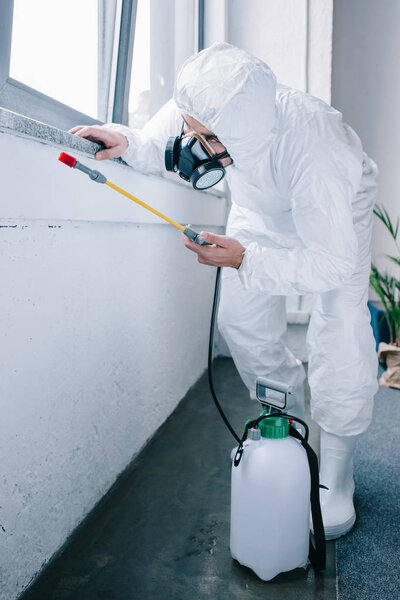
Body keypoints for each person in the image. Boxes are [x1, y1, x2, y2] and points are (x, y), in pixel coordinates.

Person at [69, 42, 379, 539]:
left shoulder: (316, 144)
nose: (192, 138)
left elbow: (330, 262)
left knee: (339, 326)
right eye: (192, 126)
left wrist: (245, 258)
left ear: (241, 133)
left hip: (335, 219)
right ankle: (290, 433)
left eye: (205, 136)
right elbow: (164, 137)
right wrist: (128, 140)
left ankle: (337, 477)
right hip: (258, 210)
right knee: (240, 320)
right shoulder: (208, 105)